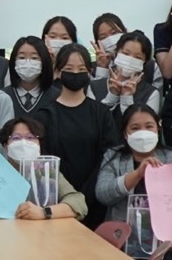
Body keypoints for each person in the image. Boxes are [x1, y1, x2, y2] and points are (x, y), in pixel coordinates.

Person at [94, 104, 172, 260]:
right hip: (122, 243)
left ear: (158, 129)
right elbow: (103, 194)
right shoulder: (113, 157)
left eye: (149, 126)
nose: (143, 132)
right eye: (135, 128)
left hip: (163, 247)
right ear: (125, 133)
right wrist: (136, 175)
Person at [40, 43, 117, 227]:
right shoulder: (44, 116)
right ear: (58, 72)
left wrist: (87, 193)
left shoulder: (101, 113)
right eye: (69, 69)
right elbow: (44, 160)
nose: (75, 73)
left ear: (90, 72)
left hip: (96, 202)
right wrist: (67, 195)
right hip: (57, 202)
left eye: (81, 69)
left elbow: (109, 155)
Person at [0, 117, 87, 221]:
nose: (24, 143)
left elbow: (78, 202)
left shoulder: (46, 172)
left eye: (30, 137)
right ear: (6, 145)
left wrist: (44, 212)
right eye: (16, 138)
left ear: (38, 144)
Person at [87, 30, 161, 115]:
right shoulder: (94, 87)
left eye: (138, 57)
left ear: (145, 61)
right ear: (116, 53)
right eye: (125, 53)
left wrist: (127, 98)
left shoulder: (151, 94)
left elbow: (143, 122)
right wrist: (112, 96)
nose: (130, 59)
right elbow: (92, 119)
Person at [5, 36, 56, 117]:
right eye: (22, 57)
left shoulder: (56, 97)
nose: (27, 63)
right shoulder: (3, 96)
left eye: (34, 58)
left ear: (44, 61)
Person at [90, 13, 126, 79]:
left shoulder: (140, 60)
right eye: (103, 37)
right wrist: (102, 68)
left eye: (114, 33)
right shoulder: (93, 70)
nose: (110, 39)